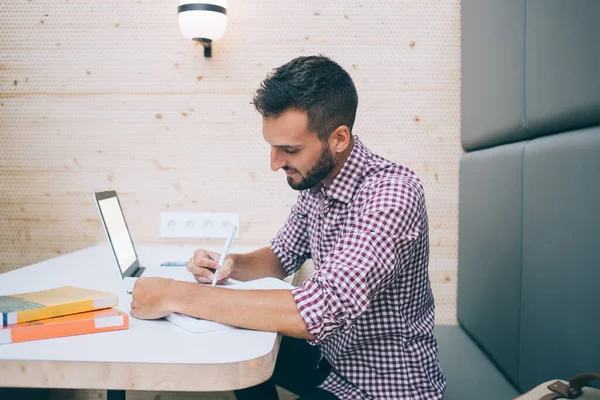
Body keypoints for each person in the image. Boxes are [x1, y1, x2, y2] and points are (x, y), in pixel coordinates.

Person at [130, 55, 446, 400]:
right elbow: (281, 256)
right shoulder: (317, 181)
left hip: (384, 385)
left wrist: (177, 295)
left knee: (238, 338)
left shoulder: (392, 194)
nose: (275, 163)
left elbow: (320, 308)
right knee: (237, 351)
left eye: (289, 150)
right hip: (333, 356)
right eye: (272, 148)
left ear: (338, 139)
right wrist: (232, 264)